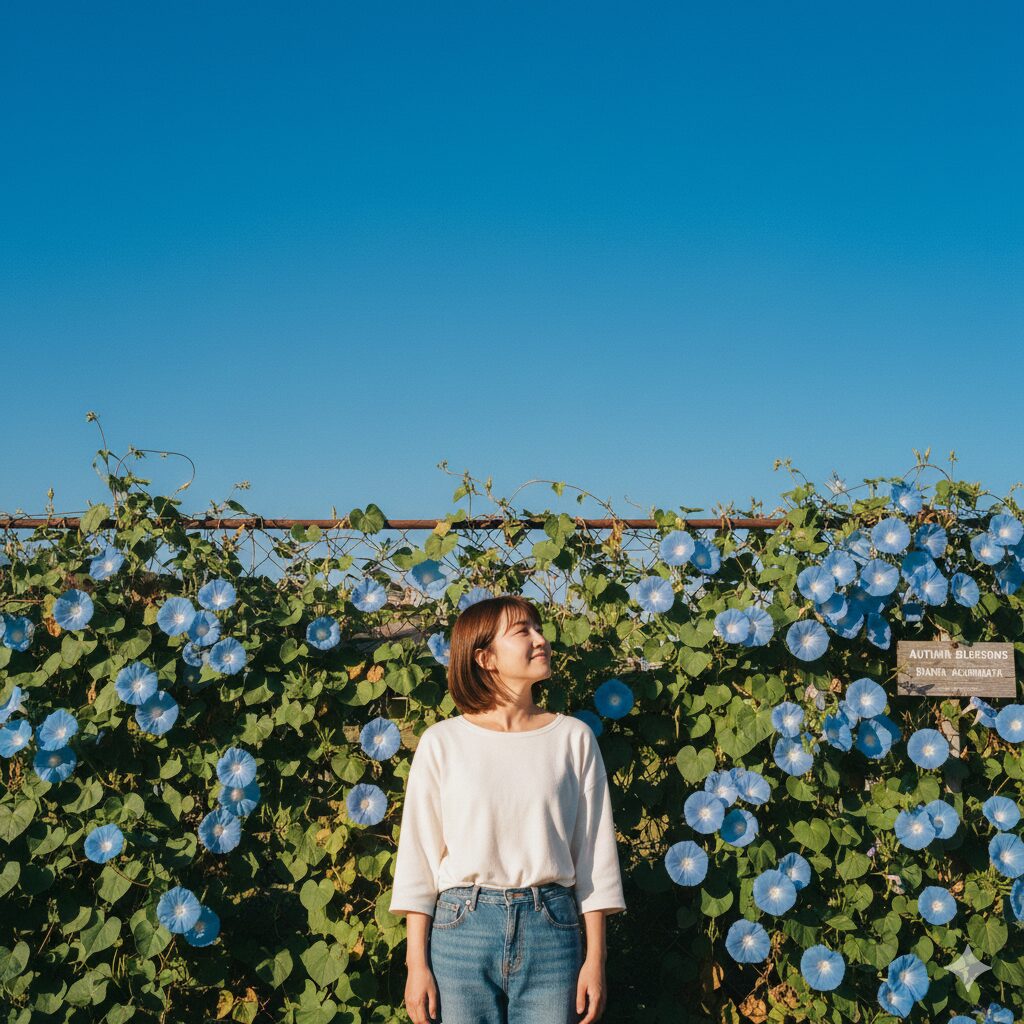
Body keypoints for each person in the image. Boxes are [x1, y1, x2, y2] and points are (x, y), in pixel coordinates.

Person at [389, 594, 626, 1024]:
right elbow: (417, 860)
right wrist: (416, 964)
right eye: (522, 632)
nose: (540, 639)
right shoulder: (443, 742)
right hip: (461, 932)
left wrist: (596, 959)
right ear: (485, 658)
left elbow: (595, 857)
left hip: (552, 930)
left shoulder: (572, 739)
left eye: (539, 628)